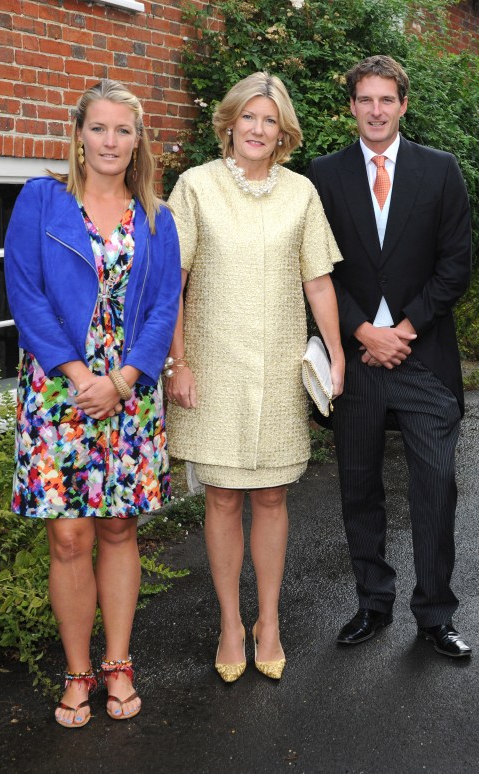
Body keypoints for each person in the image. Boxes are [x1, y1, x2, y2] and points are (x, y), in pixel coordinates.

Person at [4, 80, 181, 727]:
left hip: (128, 396)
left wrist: (126, 377)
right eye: (99, 128)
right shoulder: (41, 201)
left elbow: (165, 305)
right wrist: (83, 377)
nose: (110, 141)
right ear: (79, 133)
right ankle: (77, 671)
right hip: (59, 393)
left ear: (138, 141)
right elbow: (24, 295)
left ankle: (119, 663)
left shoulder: (158, 217)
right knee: (71, 537)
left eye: (123, 130)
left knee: (117, 527)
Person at [165, 72, 344, 683]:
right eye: (249, 117)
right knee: (220, 496)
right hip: (212, 370)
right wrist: (178, 362)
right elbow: (172, 283)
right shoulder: (194, 187)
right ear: (230, 122)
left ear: (282, 130)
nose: (258, 129)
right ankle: (229, 623)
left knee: (271, 495)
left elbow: (317, 281)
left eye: (269, 120)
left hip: (277, 367)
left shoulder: (301, 193)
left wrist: (338, 354)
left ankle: (268, 619)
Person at [307, 55, 473, 658]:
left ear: (403, 104)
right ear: (351, 105)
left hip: (422, 358)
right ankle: (372, 603)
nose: (376, 110)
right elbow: (314, 268)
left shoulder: (440, 171)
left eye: (387, 100)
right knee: (359, 489)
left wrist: (402, 328)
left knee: (436, 487)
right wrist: (359, 331)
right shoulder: (321, 176)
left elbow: (457, 264)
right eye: (365, 100)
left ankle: (434, 614)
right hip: (353, 362)